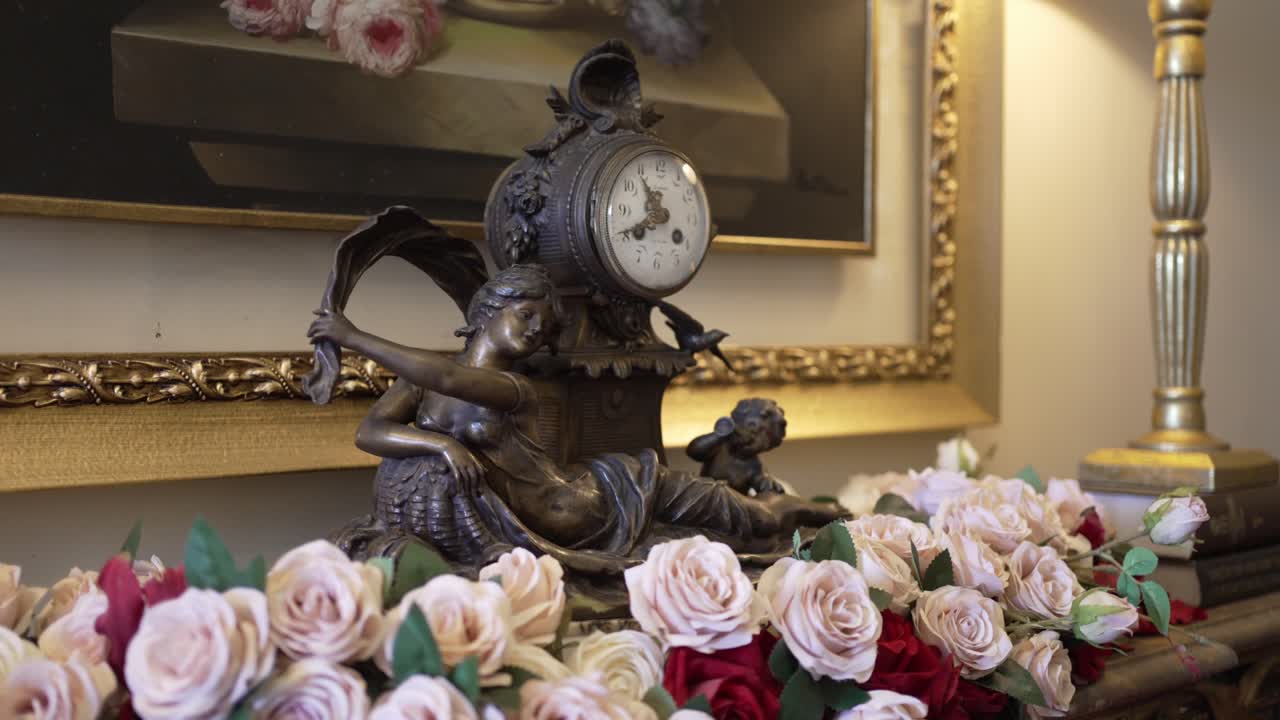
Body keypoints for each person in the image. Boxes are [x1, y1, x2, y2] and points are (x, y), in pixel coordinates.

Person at [307, 264, 844, 574]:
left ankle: (808, 509)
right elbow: (370, 433)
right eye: (527, 316)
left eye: (545, 328)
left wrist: (350, 336)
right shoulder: (417, 382)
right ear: (490, 310)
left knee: (754, 521)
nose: (537, 331)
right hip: (560, 517)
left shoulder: (516, 389)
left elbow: (448, 381)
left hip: (596, 502)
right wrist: (441, 447)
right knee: (719, 539)